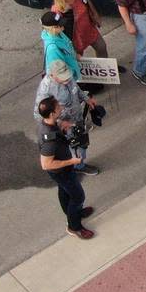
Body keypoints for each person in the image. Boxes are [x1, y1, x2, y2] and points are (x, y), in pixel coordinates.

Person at [37, 95, 95, 240]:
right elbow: (46, 164)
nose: (61, 108)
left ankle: (73, 213)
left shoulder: (47, 123)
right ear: (51, 114)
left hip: (62, 171)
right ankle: (74, 227)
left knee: (64, 191)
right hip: (61, 171)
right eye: (58, 108)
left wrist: (61, 127)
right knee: (78, 196)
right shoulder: (49, 140)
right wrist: (71, 161)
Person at [34, 60, 101, 175]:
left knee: (83, 143)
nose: (67, 80)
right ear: (52, 75)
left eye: (68, 77)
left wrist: (86, 99)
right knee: (76, 147)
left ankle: (77, 164)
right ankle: (78, 166)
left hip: (77, 118)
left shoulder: (68, 77)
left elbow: (76, 89)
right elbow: (39, 114)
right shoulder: (45, 90)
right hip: (66, 126)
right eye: (63, 78)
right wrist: (60, 123)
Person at [52, 0, 115, 65]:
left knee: (101, 47)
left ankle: (106, 68)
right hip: (74, 38)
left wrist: (95, 15)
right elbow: (54, 30)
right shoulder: (57, 9)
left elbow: (88, 3)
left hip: (88, 30)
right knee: (78, 58)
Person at [41, 10, 80, 82]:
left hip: (71, 73)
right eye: (61, 25)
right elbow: (58, 72)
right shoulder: (53, 49)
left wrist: (74, 55)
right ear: (53, 28)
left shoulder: (58, 33)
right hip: (67, 79)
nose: (63, 27)